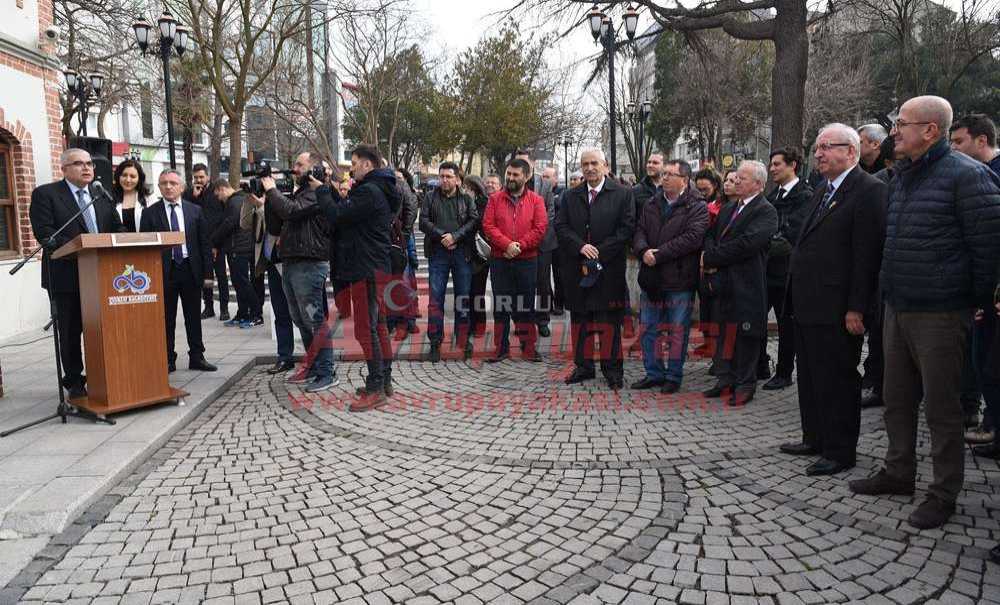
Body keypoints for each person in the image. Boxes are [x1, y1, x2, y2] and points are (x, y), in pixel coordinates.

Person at [850, 95, 1000, 530]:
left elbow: (987, 249)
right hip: (898, 306)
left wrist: (967, 301)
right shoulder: (901, 177)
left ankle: (943, 492)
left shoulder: (968, 177)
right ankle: (898, 472)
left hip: (941, 312)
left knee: (941, 408)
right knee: (897, 400)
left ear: (930, 130)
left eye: (902, 124)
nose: (894, 132)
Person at [780, 124, 886, 477]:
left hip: (839, 308)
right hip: (808, 303)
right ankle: (815, 437)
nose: (819, 154)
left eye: (827, 147)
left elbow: (866, 255)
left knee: (837, 379)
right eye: (818, 149)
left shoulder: (869, 190)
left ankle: (840, 450)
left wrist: (857, 307)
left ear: (851, 152)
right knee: (809, 376)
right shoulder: (823, 188)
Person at [29, 148, 126, 398]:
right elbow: (46, 234)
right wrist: (83, 246)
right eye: (78, 163)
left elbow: (117, 227)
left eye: (89, 164)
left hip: (102, 276)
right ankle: (74, 381)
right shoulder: (46, 194)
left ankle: (104, 373)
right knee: (71, 333)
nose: (86, 168)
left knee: (101, 329)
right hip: (66, 276)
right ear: (64, 169)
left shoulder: (100, 195)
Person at [314, 144, 400, 411]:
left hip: (367, 268)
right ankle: (384, 380)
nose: (350, 168)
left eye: (353, 163)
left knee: (366, 328)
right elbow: (351, 213)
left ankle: (376, 387)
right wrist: (330, 190)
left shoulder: (370, 191)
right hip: (376, 265)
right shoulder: (381, 188)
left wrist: (320, 191)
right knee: (379, 326)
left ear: (367, 165)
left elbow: (339, 216)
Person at [555, 148, 636, 389]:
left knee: (608, 321)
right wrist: (581, 247)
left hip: (608, 270)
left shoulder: (623, 194)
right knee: (581, 320)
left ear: (605, 166)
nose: (589, 168)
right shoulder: (570, 196)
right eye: (585, 164)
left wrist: (598, 250)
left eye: (594, 163)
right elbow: (560, 226)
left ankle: (612, 370)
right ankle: (584, 366)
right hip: (577, 269)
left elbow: (626, 229)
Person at [701, 161, 778, 406]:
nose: (735, 182)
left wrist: (712, 257)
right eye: (735, 179)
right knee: (725, 333)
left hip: (747, 284)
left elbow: (747, 244)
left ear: (758, 183)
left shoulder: (766, 211)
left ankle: (745, 383)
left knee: (746, 336)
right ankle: (726, 380)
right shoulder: (728, 209)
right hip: (723, 284)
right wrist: (709, 253)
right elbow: (712, 237)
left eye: (741, 179)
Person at [631, 159, 709, 393]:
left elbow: (693, 238)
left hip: (679, 279)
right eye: (663, 173)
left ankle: (673, 376)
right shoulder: (652, 203)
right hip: (652, 277)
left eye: (670, 174)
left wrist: (659, 254)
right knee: (648, 328)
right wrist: (643, 250)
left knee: (677, 330)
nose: (664, 177)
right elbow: (639, 230)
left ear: (684, 180)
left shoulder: (696, 205)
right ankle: (654, 373)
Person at [261, 152, 336, 394]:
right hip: (292, 263)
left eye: (299, 165)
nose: (294, 169)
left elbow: (292, 212)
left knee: (314, 319)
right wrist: (269, 198)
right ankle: (314, 365)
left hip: (310, 265)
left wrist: (272, 191)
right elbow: (276, 225)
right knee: (299, 318)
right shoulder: (298, 193)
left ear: (313, 169)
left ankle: (327, 371)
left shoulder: (318, 192)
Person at [949, 113, 1000, 459]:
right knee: (984, 362)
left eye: (959, 142)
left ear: (981, 140)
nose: (954, 149)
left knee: (991, 363)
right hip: (983, 291)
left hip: (992, 292)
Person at [139, 169, 218, 373]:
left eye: (173, 183)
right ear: (159, 187)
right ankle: (167, 358)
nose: (168, 186)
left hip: (190, 269)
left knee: (193, 316)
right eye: (163, 183)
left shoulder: (195, 211)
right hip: (164, 271)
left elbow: (204, 243)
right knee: (166, 318)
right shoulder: (150, 213)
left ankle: (197, 356)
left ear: (182, 187)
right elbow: (145, 247)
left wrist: (208, 273)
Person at [482, 158, 548, 362]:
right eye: (508, 173)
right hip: (500, 260)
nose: (510, 178)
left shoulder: (536, 200)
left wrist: (518, 246)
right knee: (501, 305)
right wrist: (506, 245)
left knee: (526, 305)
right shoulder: (494, 199)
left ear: (526, 176)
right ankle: (501, 348)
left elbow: (540, 228)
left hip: (527, 260)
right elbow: (488, 226)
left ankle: (528, 348)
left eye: (515, 174)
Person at [760, 147, 813, 390]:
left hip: (788, 272)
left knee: (786, 325)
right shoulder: (772, 197)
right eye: (771, 164)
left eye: (777, 164)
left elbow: (792, 236)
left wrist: (759, 245)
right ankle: (760, 364)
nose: (772, 169)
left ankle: (784, 372)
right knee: (757, 318)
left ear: (793, 165)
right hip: (767, 270)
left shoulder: (805, 196)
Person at [419, 161, 479, 361]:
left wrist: (456, 236)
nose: (444, 180)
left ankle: (462, 337)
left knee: (463, 297)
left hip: (462, 253)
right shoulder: (430, 197)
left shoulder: (467, 198)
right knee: (435, 299)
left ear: (457, 179)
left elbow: (473, 221)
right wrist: (442, 236)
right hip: (438, 253)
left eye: (448, 177)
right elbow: (423, 222)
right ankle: (435, 341)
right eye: (442, 176)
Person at [239, 180, 296, 375]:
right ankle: (285, 356)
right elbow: (244, 223)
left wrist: (263, 205)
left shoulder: (283, 200)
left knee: (304, 314)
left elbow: (277, 226)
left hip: (290, 262)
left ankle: (318, 360)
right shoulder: (260, 203)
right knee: (280, 313)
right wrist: (249, 201)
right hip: (271, 263)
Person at [514, 151, 558, 338]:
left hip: (542, 243)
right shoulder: (513, 185)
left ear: (532, 163)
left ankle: (543, 321)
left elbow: (550, 213)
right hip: (520, 244)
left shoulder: (545, 185)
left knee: (543, 284)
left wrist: (534, 230)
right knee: (521, 285)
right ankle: (523, 321)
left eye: (525, 161)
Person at [210, 179, 261, 328]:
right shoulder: (241, 199)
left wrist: (213, 241)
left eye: (217, 195)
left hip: (238, 248)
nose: (219, 198)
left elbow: (229, 224)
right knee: (240, 283)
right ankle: (242, 313)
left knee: (242, 283)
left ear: (222, 189)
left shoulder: (234, 202)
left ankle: (256, 314)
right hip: (241, 247)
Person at [627, 153, 665, 342]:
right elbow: (632, 222)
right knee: (646, 293)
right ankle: (646, 335)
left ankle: (665, 334)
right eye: (649, 162)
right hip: (645, 251)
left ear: (664, 166)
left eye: (655, 162)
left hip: (669, 251)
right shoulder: (637, 191)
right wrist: (638, 247)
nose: (650, 165)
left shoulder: (670, 188)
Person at [187, 163, 229, 321]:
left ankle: (224, 308)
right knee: (206, 276)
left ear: (208, 177)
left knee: (221, 276)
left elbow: (223, 218)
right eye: (196, 177)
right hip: (199, 243)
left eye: (201, 177)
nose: (198, 180)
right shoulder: (191, 194)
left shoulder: (216, 192)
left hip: (217, 242)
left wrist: (216, 244)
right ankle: (209, 307)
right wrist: (194, 197)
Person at [465, 175, 491, 339]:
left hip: (479, 254)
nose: (464, 191)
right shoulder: (465, 203)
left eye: (466, 188)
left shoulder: (484, 205)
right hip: (466, 252)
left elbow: (481, 225)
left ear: (474, 190)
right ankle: (470, 324)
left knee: (477, 291)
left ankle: (479, 325)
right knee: (468, 292)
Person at [111, 159, 148, 232]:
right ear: (118, 176)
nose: (128, 180)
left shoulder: (149, 199)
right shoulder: (109, 198)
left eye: (132, 176)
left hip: (144, 242)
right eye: (124, 175)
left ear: (139, 178)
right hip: (118, 242)